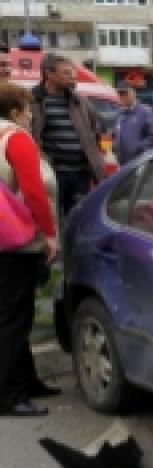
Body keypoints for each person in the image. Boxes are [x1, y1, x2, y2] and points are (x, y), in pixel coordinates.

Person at [0, 82, 61, 417]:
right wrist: (49, 234)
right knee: (13, 319)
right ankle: (9, 395)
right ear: (14, 112)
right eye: (28, 109)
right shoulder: (16, 138)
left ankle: (27, 381)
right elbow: (34, 191)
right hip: (17, 241)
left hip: (2, 239)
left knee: (13, 315)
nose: (31, 115)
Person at [30, 53, 104, 220]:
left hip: (81, 173)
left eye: (73, 73)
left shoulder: (81, 102)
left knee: (78, 218)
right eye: (66, 73)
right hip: (52, 173)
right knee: (50, 217)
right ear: (49, 74)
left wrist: (98, 157)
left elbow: (96, 130)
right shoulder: (33, 101)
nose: (73, 77)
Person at [113, 84, 153, 165]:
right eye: (120, 94)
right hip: (122, 163)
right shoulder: (120, 114)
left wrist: (138, 148)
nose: (123, 96)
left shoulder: (145, 112)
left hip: (139, 162)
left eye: (125, 93)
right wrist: (115, 146)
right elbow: (116, 134)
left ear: (133, 93)